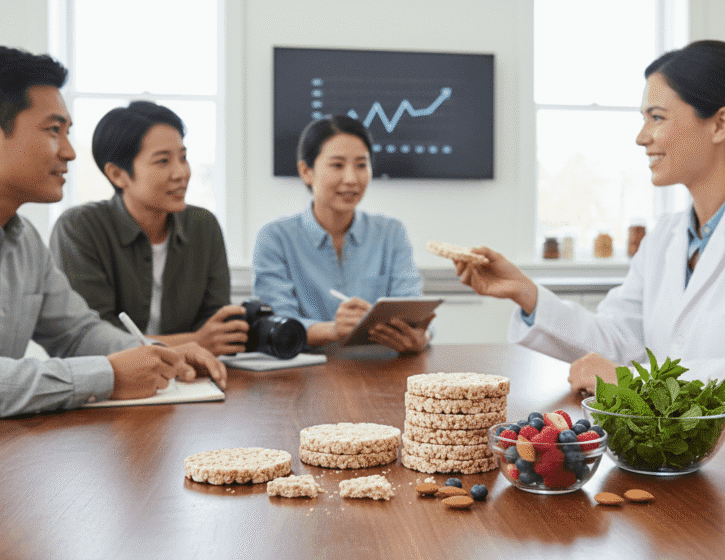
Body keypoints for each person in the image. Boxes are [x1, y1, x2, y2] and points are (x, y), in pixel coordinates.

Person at [452, 40, 725, 430]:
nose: (642, 137)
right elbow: (619, 340)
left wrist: (634, 381)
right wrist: (527, 294)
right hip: (683, 457)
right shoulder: (668, 236)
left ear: (721, 123)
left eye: (657, 117)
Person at [0, 47, 225, 417]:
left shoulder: (25, 242)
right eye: (54, 130)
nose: (71, 153)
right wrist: (108, 374)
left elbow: (79, 333)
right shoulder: (79, 227)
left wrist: (156, 355)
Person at [49, 101, 249, 357]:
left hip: (191, 375)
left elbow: (216, 326)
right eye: (163, 161)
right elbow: (91, 339)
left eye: (183, 157)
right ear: (118, 174)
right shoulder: (79, 228)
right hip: (112, 385)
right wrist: (195, 342)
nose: (182, 173)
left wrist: (206, 340)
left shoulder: (203, 226)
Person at [253, 115, 432, 352]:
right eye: (337, 165)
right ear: (306, 171)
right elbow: (276, 324)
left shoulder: (391, 233)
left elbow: (413, 309)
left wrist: (422, 336)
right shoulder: (275, 238)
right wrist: (334, 330)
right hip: (305, 376)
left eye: (361, 165)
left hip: (381, 370)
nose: (351, 179)